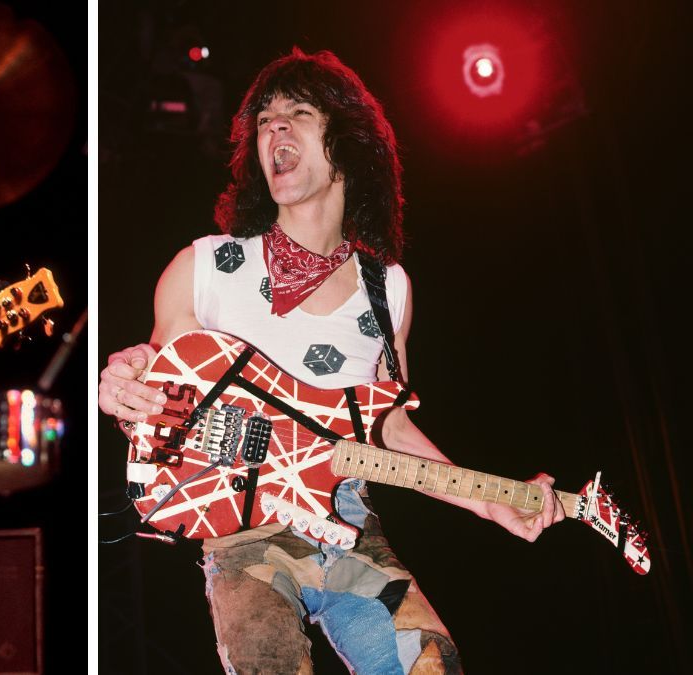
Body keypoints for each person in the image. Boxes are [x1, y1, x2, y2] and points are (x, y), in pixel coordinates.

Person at [99, 48, 564, 673]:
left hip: (351, 524)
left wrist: (493, 500)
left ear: (347, 143)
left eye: (297, 112)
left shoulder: (388, 288)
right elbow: (158, 395)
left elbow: (388, 427)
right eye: (264, 119)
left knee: (433, 663)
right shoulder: (206, 267)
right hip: (242, 528)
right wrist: (124, 393)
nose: (275, 129)